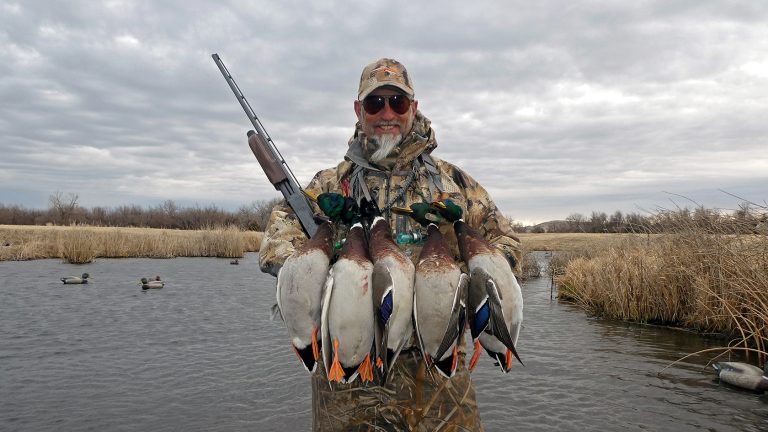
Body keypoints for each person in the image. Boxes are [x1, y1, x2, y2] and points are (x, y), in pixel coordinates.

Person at [259, 58, 522, 431]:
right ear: (358, 110)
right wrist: (317, 273)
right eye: (374, 103)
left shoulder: (453, 184)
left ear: (413, 109)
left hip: (437, 369)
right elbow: (277, 240)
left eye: (397, 103)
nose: (386, 113)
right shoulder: (330, 185)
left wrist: (458, 284)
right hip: (347, 371)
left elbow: (506, 242)